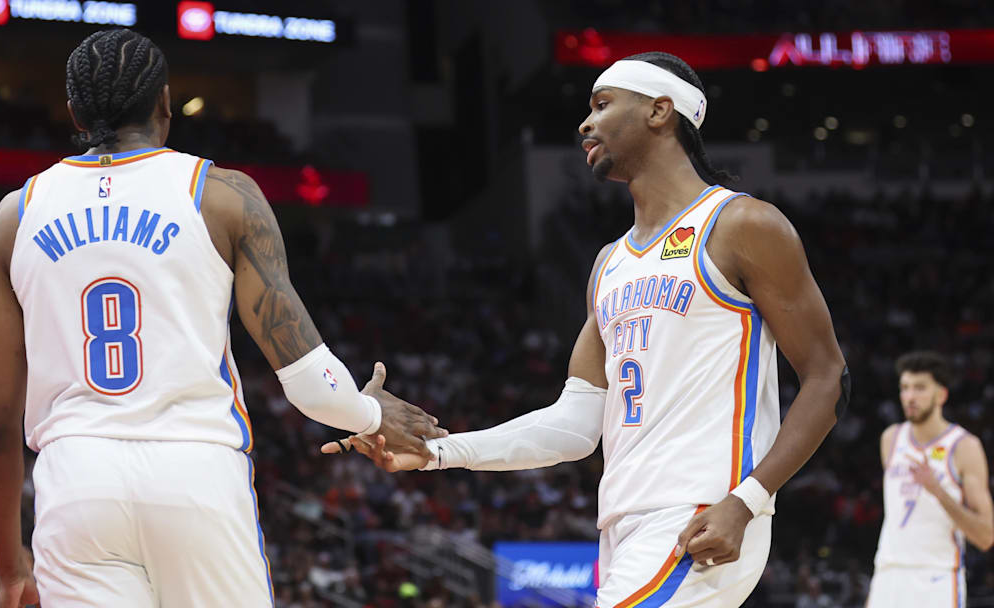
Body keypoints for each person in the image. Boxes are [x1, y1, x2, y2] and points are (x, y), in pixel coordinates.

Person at [325, 52, 847, 607]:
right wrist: (438, 451)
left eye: (602, 105)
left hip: (701, 513)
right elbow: (575, 425)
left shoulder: (741, 224)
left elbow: (826, 376)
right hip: (621, 522)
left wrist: (748, 500)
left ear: (660, 111)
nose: (585, 123)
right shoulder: (609, 264)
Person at [0, 28, 444, 608]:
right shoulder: (222, 194)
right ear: (166, 103)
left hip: (76, 482)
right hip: (195, 472)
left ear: (73, 112)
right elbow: (307, 380)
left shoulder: (15, 216)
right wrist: (369, 413)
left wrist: (11, 568)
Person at [867, 351, 993, 608]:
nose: (910, 396)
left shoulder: (964, 447)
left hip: (936, 577)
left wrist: (938, 491)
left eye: (920, 388)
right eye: (905, 388)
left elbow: (985, 535)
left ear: (941, 395)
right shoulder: (891, 439)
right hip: (888, 574)